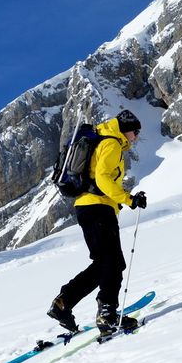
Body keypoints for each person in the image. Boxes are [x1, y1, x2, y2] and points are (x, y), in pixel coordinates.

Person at [47, 109, 149, 336]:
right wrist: (129, 199)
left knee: (105, 263)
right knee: (113, 263)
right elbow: (103, 178)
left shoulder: (103, 140)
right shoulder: (112, 144)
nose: (136, 137)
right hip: (98, 208)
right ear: (126, 129)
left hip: (87, 208)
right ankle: (107, 315)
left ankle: (63, 303)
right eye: (135, 132)